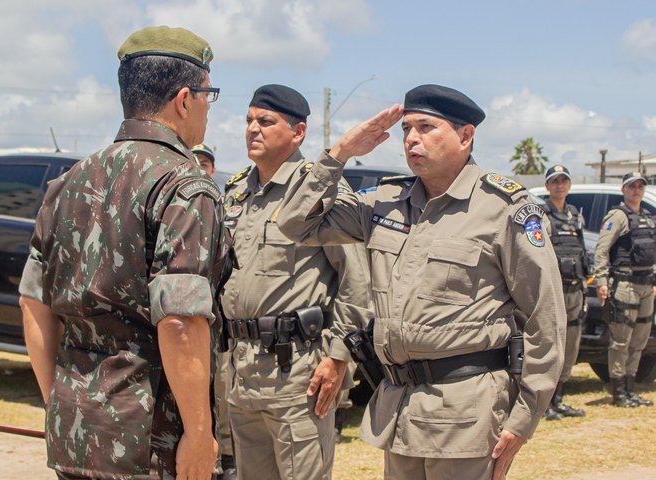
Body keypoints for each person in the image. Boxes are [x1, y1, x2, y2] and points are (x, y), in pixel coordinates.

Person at [278, 84, 565, 480]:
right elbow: (295, 224)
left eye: (426, 127)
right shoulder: (384, 202)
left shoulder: (503, 209)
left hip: (467, 415)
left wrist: (524, 417)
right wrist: (340, 152)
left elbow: (545, 316)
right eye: (406, 129)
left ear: (465, 136)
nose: (412, 138)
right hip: (398, 409)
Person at [18, 25, 231, 480]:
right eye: (208, 96)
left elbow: (33, 303)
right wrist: (198, 432)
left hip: (75, 430)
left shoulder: (67, 182)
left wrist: (61, 400)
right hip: (149, 440)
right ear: (183, 99)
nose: (207, 112)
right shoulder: (185, 187)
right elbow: (179, 320)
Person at [221, 84, 372, 480]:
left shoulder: (320, 191)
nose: (253, 129)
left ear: (298, 132)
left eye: (265, 121)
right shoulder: (236, 192)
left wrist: (338, 357)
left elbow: (358, 281)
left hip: (298, 372)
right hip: (241, 368)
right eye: (249, 121)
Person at [192, 143, 237, 480]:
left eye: (205, 163)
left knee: (223, 390)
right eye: (193, 160)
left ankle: (227, 462)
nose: (199, 167)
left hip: (222, 323)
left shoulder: (225, 207)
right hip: (188, 319)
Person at [594, 171, 655, 408]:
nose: (636, 190)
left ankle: (631, 389)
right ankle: (619, 392)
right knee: (621, 341)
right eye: (632, 186)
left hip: (646, 285)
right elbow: (601, 250)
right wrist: (601, 281)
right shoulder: (618, 216)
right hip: (625, 285)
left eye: (640, 186)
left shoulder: (649, 217)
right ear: (624, 190)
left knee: (639, 341)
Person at [541, 165, 589, 420]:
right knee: (552, 345)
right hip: (554, 290)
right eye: (554, 181)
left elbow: (581, 249)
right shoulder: (542, 214)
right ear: (547, 186)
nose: (559, 185)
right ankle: (545, 403)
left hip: (575, 288)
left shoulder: (573, 214)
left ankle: (559, 399)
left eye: (563, 181)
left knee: (571, 345)